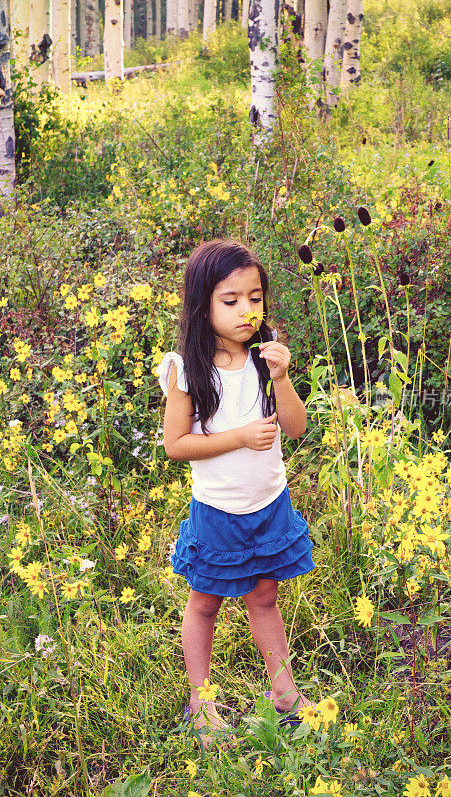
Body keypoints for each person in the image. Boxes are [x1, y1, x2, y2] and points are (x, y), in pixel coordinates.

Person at [156, 238, 314, 745]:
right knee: (205, 603)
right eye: (231, 300)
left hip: (268, 504)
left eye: (256, 297)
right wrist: (241, 437)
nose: (247, 310)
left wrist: (283, 377)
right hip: (219, 510)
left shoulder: (265, 359)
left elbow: (295, 428)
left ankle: (285, 694)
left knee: (264, 596)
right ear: (203, 306)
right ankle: (201, 701)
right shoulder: (188, 369)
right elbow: (176, 445)